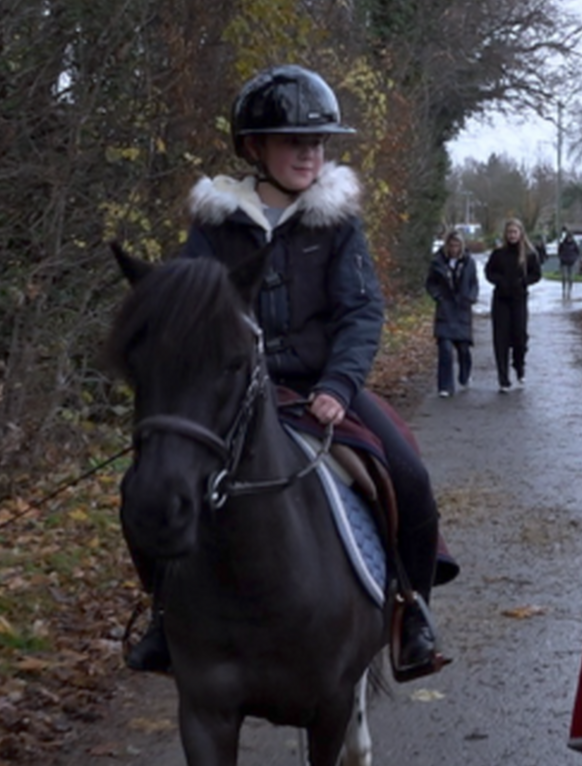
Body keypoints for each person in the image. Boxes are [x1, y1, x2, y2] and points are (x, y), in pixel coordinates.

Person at [125, 64, 450, 681]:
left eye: (318, 142)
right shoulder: (214, 228)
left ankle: (411, 610)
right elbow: (188, 316)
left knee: (408, 472)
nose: (310, 154)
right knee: (144, 485)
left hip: (318, 391)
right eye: (294, 141)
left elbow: (361, 312)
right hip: (230, 395)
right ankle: (164, 614)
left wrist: (336, 386)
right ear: (254, 148)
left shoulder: (337, 222)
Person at [483, 217, 541, 391]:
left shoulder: (529, 254)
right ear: (505, 234)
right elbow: (489, 272)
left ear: (521, 233)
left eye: (515, 232)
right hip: (501, 300)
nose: (512, 235)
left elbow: (536, 274)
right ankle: (503, 378)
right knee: (500, 339)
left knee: (519, 337)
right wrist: (499, 281)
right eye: (509, 232)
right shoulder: (498, 254)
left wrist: (524, 281)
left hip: (519, 299)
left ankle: (519, 364)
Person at [427, 231, 478, 396]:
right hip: (445, 309)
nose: (454, 249)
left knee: (463, 348)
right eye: (451, 245)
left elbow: (473, 283)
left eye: (457, 245)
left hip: (462, 309)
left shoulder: (468, 263)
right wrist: (438, 296)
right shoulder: (437, 262)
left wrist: (471, 297)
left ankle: (465, 374)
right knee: (445, 349)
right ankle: (445, 386)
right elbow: (430, 283)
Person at [557, 231, 581, 304]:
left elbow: (578, 252)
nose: (569, 239)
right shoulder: (562, 244)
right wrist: (561, 258)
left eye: (570, 238)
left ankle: (569, 290)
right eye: (568, 238)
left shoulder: (574, 244)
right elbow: (559, 251)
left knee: (571, 277)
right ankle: (564, 289)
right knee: (564, 277)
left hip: (571, 262)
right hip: (564, 262)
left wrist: (575, 258)